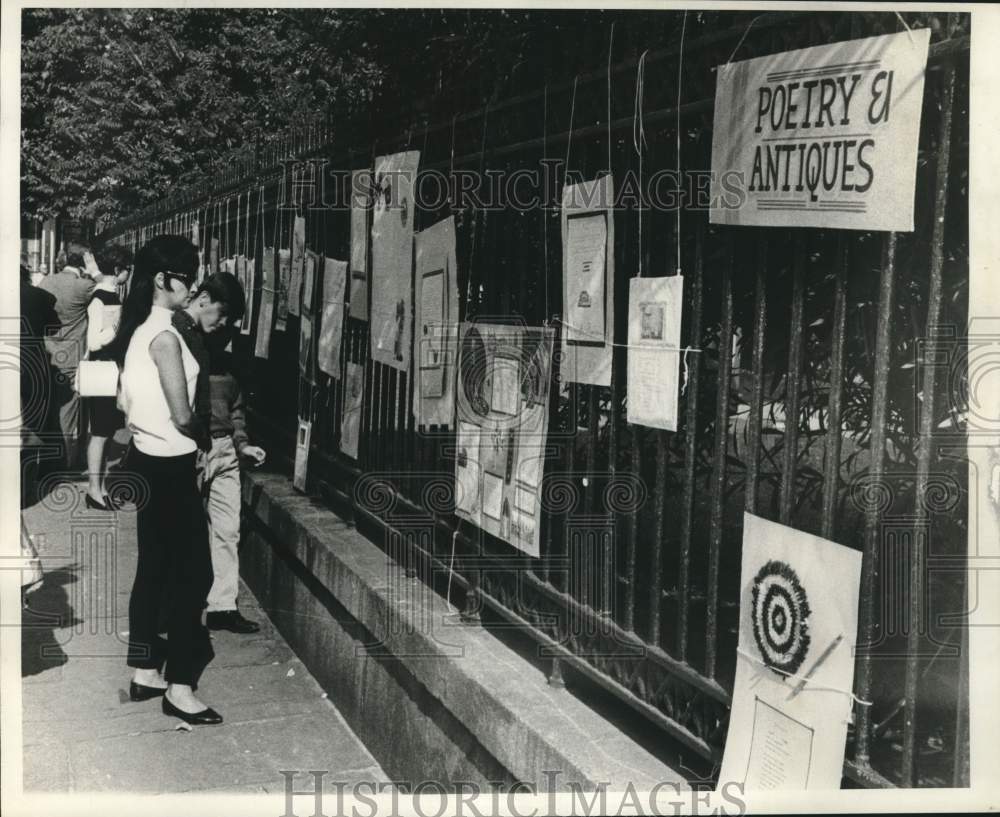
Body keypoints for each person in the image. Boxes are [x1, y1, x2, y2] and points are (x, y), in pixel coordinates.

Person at [104, 235, 222, 726]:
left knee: (154, 568)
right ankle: (180, 686)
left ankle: (146, 669)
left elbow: (122, 408)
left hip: (145, 463)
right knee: (194, 575)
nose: (193, 284)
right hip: (172, 467)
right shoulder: (166, 339)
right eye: (187, 275)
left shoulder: (135, 333)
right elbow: (182, 414)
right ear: (162, 280)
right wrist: (205, 441)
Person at [200, 278, 267, 634]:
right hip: (193, 449)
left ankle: (223, 606)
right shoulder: (186, 354)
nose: (224, 329)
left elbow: (237, 410)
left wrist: (242, 444)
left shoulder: (230, 368)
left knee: (228, 530)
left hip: (225, 450)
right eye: (223, 319)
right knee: (189, 532)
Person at [83, 244, 133, 511]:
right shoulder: (101, 298)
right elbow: (94, 341)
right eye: (127, 269)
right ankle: (94, 489)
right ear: (118, 269)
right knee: (100, 432)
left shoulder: (110, 294)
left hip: (109, 369)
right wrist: (116, 329)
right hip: (101, 368)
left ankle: (99, 487)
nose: (128, 274)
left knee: (106, 430)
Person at [37, 242, 96, 468]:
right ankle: (64, 462)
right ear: (83, 262)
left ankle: (48, 458)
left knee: (51, 406)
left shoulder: (46, 281)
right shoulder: (83, 286)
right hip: (72, 354)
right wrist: (94, 270)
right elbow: (109, 288)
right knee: (68, 412)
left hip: (49, 351)